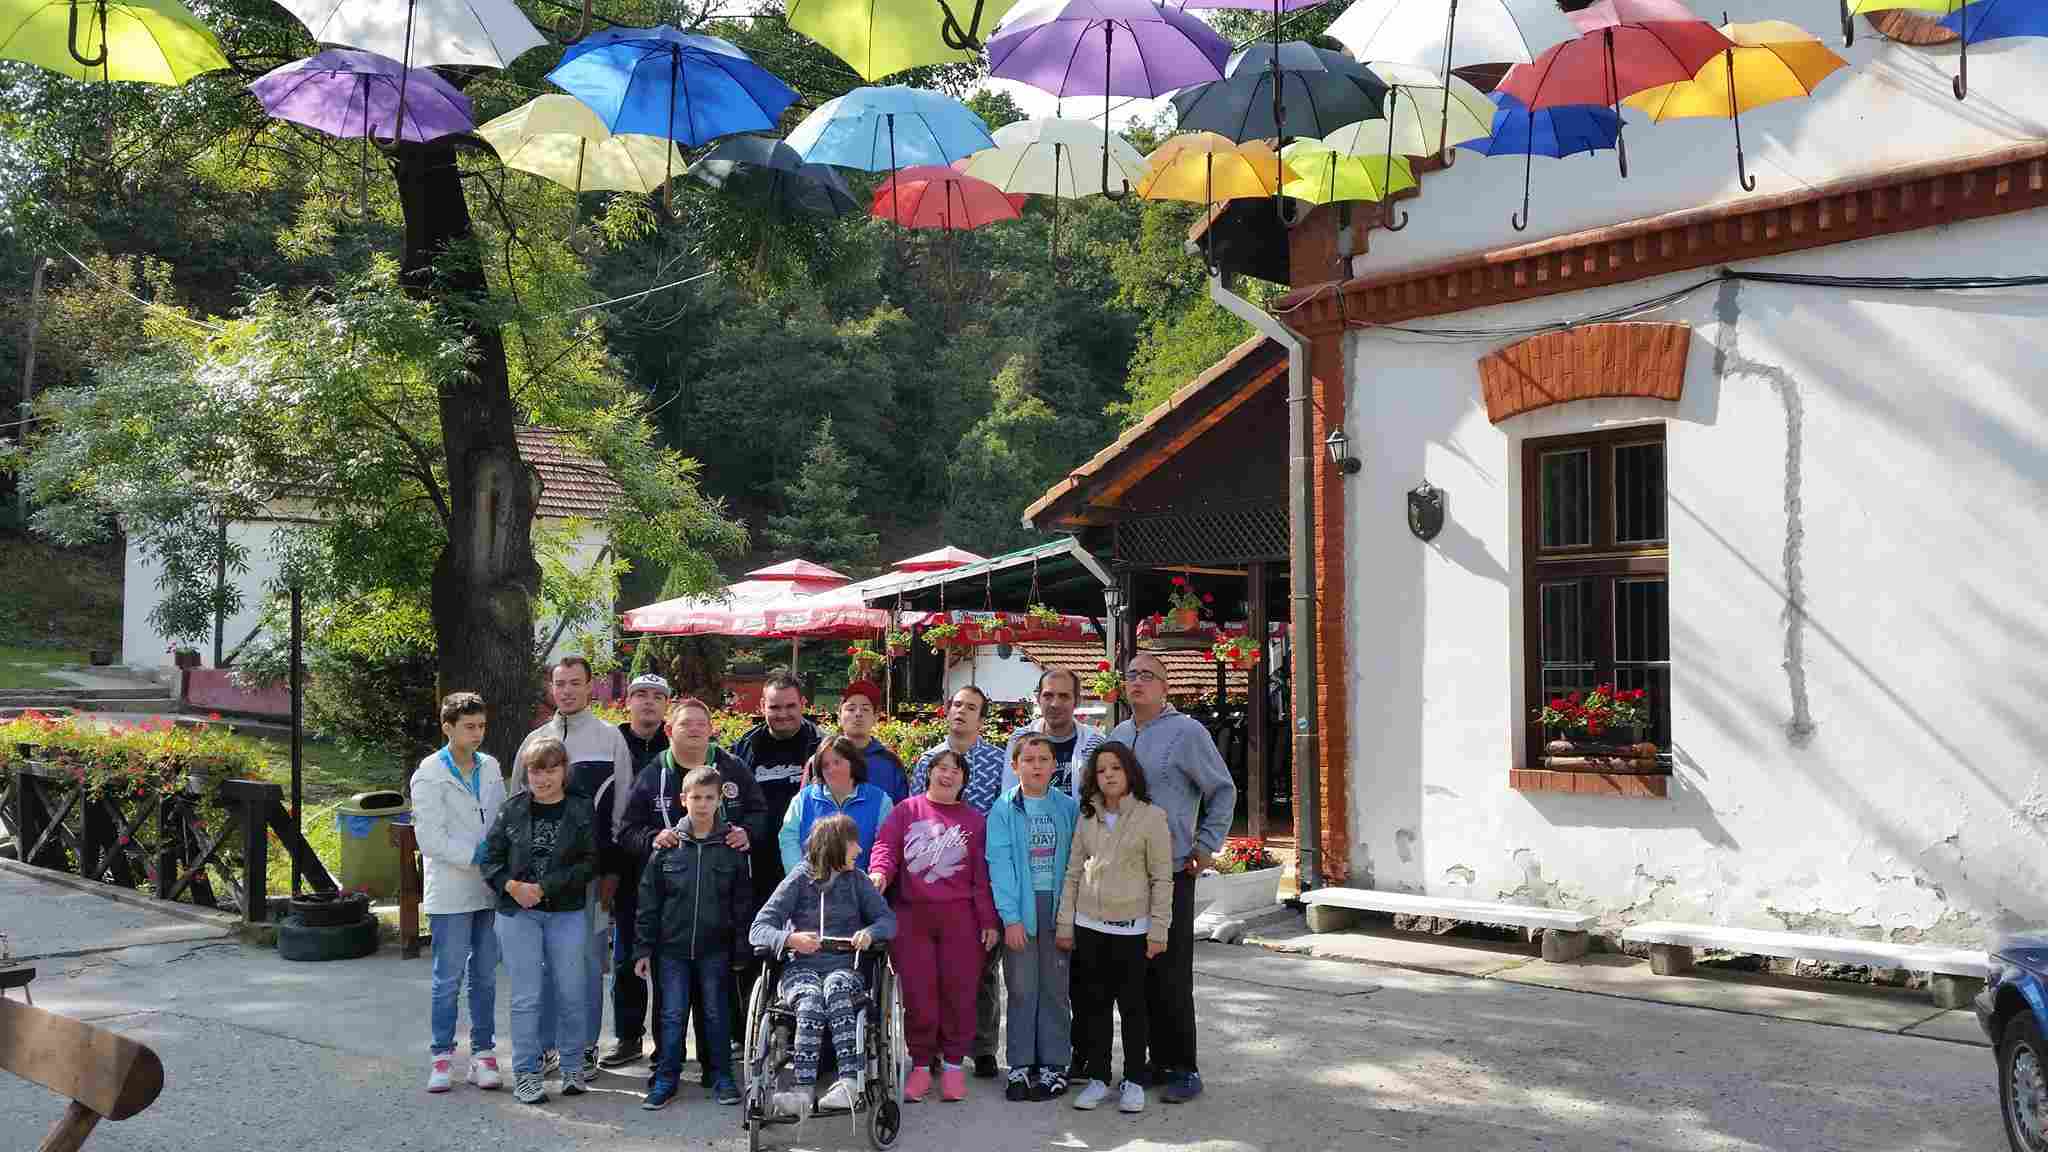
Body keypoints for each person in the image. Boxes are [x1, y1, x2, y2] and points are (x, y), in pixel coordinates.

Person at [618, 696, 770, 1083]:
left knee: (714, 999)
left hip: (719, 904)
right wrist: (655, 838)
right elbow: (628, 831)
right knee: (670, 1002)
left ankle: (713, 1066)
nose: (695, 730)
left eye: (701, 723)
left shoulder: (732, 767)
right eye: (686, 724)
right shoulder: (653, 774)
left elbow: (760, 814)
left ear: (711, 729)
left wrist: (747, 833)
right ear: (670, 730)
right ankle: (665, 1065)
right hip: (672, 907)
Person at [1106, 652, 1237, 1104]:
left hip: (1172, 870)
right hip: (1126, 874)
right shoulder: (1119, 736)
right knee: (1136, 973)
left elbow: (1222, 789)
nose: (1138, 681)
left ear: (1166, 687)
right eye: (1132, 675)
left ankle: (1184, 1067)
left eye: (1148, 675)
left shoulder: (1187, 732)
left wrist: (1206, 844)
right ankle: (1150, 1062)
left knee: (1171, 973)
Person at [512, 657, 634, 1085]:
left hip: (591, 877)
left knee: (586, 963)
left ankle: (583, 1046)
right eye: (559, 683)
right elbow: (516, 807)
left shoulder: (609, 739)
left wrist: (612, 870)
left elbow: (621, 810)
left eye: (574, 683)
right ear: (551, 687)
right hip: (540, 880)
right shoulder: (534, 740)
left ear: (589, 687)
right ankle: (547, 1047)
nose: (566, 691)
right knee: (544, 965)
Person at [866, 747, 998, 1104]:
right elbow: (885, 848)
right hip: (912, 919)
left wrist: (988, 920)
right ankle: (922, 1065)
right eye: (941, 767)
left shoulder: (975, 821)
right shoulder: (905, 811)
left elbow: (982, 878)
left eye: (955, 770)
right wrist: (880, 873)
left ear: (964, 780)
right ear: (929, 772)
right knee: (919, 997)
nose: (947, 774)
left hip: (961, 920)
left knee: (959, 994)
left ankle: (953, 1066)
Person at [749, 814, 898, 1119]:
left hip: (844, 965)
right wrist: (790, 939)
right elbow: (759, 928)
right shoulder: (799, 879)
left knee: (835, 988)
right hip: (801, 967)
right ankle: (802, 1090)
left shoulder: (858, 881)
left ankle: (849, 1083)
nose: (859, 849)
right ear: (835, 846)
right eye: (853, 843)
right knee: (810, 998)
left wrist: (870, 933)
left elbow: (888, 921)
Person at [1057, 741, 1173, 1115]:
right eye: (1102, 769)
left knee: (1134, 1008)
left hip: (1132, 930)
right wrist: (1066, 923)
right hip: (1089, 926)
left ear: (1130, 773)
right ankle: (1098, 1077)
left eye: (1116, 768)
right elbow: (1073, 872)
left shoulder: (1152, 817)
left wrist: (1159, 930)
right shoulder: (1087, 816)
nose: (1108, 775)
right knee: (1094, 1007)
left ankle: (1134, 1079)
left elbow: (1161, 879)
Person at [480, 737, 595, 1105]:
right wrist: (512, 886)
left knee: (571, 990)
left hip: (566, 911)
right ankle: (526, 1073)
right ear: (526, 773)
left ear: (564, 771)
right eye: (535, 771)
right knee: (527, 996)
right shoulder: (511, 810)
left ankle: (573, 1066)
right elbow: (489, 859)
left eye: (550, 770)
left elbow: (591, 862)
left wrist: (545, 887)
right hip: (518, 914)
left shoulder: (581, 809)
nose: (543, 778)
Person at [633, 766, 751, 1110]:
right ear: (683, 799)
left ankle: (721, 1076)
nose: (702, 804)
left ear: (719, 801)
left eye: (709, 798)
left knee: (716, 1014)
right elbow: (648, 901)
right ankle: (666, 1078)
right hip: (671, 949)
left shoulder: (731, 847)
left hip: (716, 948)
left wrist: (741, 949)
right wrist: (643, 948)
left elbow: (742, 904)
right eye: (695, 797)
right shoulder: (667, 846)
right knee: (671, 1014)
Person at [410, 691, 508, 1094]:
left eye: (481, 726)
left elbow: (501, 817)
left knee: (485, 977)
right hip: (451, 891)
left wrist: (497, 856)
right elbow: (430, 839)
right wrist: (475, 855)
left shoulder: (491, 767)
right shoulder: (429, 773)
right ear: (447, 727)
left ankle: (483, 1055)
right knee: (447, 978)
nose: (477, 733)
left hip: (489, 887)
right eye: (469, 727)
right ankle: (441, 1057)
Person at [908, 685, 1008, 1078]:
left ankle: (982, 1047)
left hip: (982, 873)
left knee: (983, 966)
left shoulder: (998, 760)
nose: (962, 712)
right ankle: (933, 1047)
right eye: (957, 705)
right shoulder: (928, 760)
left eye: (971, 707)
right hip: (936, 877)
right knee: (935, 971)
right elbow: (915, 815)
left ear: (982, 718)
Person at [985, 733, 1078, 1102]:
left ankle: (1054, 1064)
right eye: (1028, 760)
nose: (1036, 766)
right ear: (1015, 765)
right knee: (1022, 988)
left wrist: (1068, 914)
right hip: (1020, 908)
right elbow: (1000, 864)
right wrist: (1010, 918)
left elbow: (1076, 863)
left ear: (1054, 765)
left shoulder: (1067, 807)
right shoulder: (1004, 808)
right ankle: (1021, 1064)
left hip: (1057, 907)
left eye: (1043, 760)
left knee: (1055, 988)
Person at [602, 672, 674, 1070]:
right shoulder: (612, 743)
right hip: (626, 867)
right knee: (627, 957)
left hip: (672, 870)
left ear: (666, 705)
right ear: (627, 702)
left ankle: (668, 1043)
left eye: (657, 696)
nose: (648, 702)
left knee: (669, 961)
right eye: (641, 695)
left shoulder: (675, 744)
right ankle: (628, 1037)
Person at [732, 670, 822, 903]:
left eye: (790, 706)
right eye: (774, 707)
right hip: (757, 862)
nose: (783, 714)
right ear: (762, 706)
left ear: (803, 704)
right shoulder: (744, 748)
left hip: (809, 859)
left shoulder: (822, 746)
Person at [778, 735, 893, 876]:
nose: (831, 769)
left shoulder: (880, 800)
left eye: (837, 762)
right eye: (825, 765)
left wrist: (877, 873)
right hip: (812, 885)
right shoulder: (802, 799)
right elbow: (788, 839)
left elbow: (886, 843)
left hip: (862, 885)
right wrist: (799, 877)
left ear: (853, 763)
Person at [1002, 669, 1105, 798]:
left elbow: (1100, 798)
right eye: (1048, 696)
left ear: (1077, 701)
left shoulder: (1094, 742)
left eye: (1064, 696)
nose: (1055, 704)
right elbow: (1009, 795)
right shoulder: (1019, 739)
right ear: (1038, 699)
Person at [835, 681, 908, 803]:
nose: (858, 714)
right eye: (851, 709)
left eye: (865, 709)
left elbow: (902, 809)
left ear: (875, 717)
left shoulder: (891, 763)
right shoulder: (824, 759)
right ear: (839, 717)